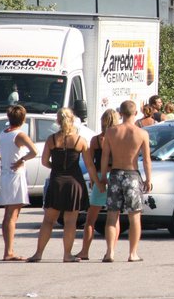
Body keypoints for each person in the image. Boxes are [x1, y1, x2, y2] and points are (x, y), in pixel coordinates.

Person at [28, 108, 89, 262]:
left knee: (48, 220)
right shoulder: (80, 141)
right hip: (74, 182)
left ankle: (38, 253)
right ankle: (67, 255)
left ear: (58, 121)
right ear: (73, 120)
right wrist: (96, 181)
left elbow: (44, 162)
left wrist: (55, 167)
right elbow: (89, 165)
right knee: (70, 221)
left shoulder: (51, 139)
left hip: (56, 181)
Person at [99, 101, 152, 262]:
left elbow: (105, 156)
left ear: (120, 113)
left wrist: (102, 177)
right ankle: (132, 253)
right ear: (136, 113)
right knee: (134, 216)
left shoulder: (111, 132)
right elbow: (146, 160)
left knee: (112, 216)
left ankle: (110, 252)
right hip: (132, 175)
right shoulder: (141, 133)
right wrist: (148, 178)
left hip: (115, 174)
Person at [0, 105, 39, 261]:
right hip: (15, 175)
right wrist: (22, 159)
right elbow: (34, 151)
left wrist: (2, 158)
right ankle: (8, 252)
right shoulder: (19, 135)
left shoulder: (3, 134)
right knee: (12, 214)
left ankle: (8, 250)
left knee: (9, 213)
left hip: (5, 174)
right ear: (22, 119)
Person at [76, 108, 118, 260]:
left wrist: (94, 179)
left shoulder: (96, 140)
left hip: (100, 175)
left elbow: (91, 164)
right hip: (115, 176)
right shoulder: (118, 139)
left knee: (91, 218)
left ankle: (85, 251)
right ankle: (110, 250)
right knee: (114, 218)